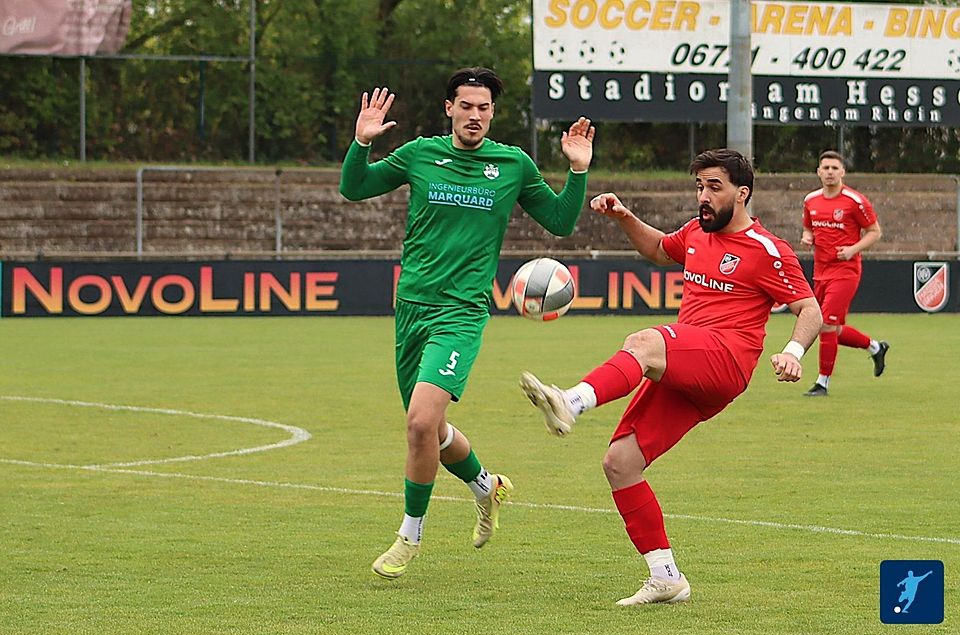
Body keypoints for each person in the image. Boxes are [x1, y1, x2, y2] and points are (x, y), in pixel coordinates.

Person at [519, 149, 822, 605]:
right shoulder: (697, 232)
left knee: (644, 342)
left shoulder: (767, 250)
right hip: (687, 366)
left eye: (714, 187)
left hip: (726, 361)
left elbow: (809, 308)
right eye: (699, 186)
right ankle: (666, 577)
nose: (703, 196)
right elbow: (660, 249)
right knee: (620, 463)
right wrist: (624, 216)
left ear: (742, 194)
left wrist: (794, 351)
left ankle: (572, 401)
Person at [339, 67, 595, 579]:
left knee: (417, 423)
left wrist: (579, 171)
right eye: (466, 106)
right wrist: (360, 143)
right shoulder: (418, 155)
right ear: (449, 108)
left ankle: (409, 536)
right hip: (410, 307)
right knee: (428, 431)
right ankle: (487, 487)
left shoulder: (512, 165)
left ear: (492, 114)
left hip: (461, 313)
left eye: (484, 108)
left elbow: (562, 223)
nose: (475, 115)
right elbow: (355, 187)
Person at [801, 150, 889, 397]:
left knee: (827, 324)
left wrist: (852, 250)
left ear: (842, 172)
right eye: (825, 168)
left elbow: (874, 231)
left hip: (845, 271)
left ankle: (822, 383)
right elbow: (808, 227)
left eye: (834, 168)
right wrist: (808, 237)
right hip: (821, 271)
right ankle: (875, 347)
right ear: (818, 172)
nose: (829, 172)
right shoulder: (811, 200)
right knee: (831, 328)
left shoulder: (854, 201)